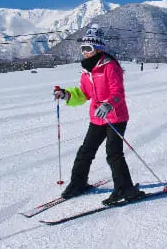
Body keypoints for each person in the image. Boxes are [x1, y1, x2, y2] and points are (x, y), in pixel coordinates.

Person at [53, 24, 145, 205]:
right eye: (82, 48)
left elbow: (118, 93)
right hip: (97, 117)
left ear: (98, 48)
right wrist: (66, 95)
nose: (84, 52)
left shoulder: (110, 66)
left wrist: (108, 105)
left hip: (115, 117)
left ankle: (125, 189)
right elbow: (84, 94)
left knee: (113, 153)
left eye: (88, 48)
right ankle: (78, 183)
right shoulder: (86, 70)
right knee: (85, 151)